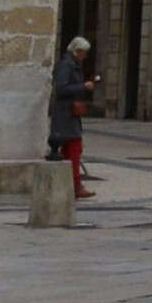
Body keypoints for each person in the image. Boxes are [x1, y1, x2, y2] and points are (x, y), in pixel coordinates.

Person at [49, 36, 96, 197]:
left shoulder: (72, 65)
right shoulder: (67, 66)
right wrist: (83, 86)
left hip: (70, 113)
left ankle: (73, 185)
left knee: (72, 148)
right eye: (84, 53)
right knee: (74, 148)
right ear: (77, 51)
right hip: (65, 113)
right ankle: (75, 186)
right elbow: (61, 89)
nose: (85, 56)